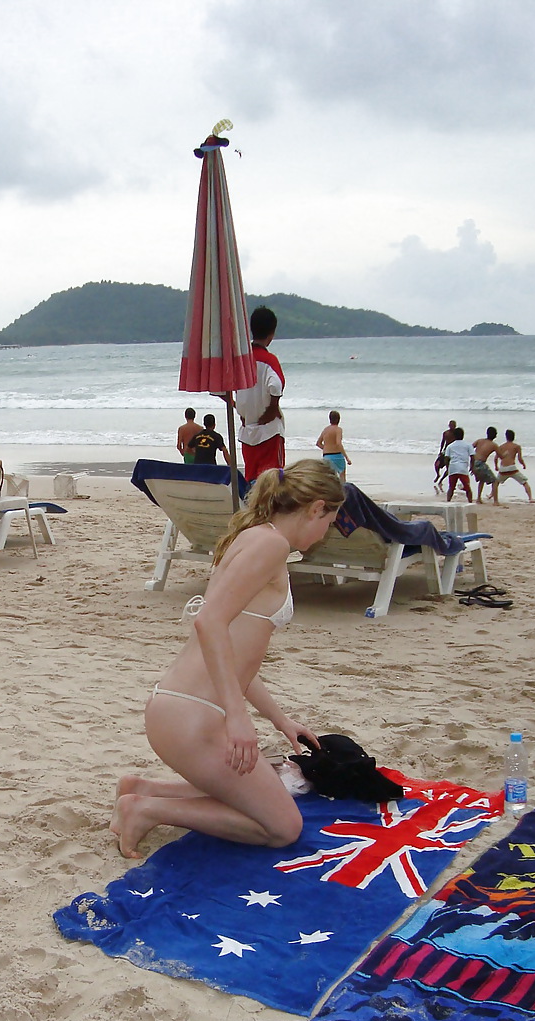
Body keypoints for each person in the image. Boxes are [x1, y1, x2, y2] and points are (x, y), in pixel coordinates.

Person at [111, 460, 345, 861]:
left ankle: (144, 789)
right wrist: (237, 717)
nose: (328, 531)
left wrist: (278, 719)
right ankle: (146, 809)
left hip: (180, 708)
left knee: (257, 794)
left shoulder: (253, 537)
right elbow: (210, 621)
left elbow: (233, 653)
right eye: (330, 520)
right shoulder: (271, 545)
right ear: (316, 508)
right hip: (195, 717)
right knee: (283, 828)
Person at [233, 306, 285, 481]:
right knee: (272, 481)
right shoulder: (270, 361)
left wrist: (239, 408)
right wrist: (273, 407)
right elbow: (276, 386)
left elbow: (222, 389)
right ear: (272, 334)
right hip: (269, 432)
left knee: (251, 479)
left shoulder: (241, 360)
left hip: (248, 431)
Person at [495, 429, 535, 503]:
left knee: (496, 483)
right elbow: (520, 458)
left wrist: (496, 466)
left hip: (503, 469)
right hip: (512, 468)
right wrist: (523, 464)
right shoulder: (516, 446)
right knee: (524, 482)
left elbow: (496, 458)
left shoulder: (501, 446)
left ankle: (491, 494)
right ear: (514, 437)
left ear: (506, 437)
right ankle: (530, 498)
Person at [316, 410, 351, 476]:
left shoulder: (325, 429)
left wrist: (327, 448)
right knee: (342, 476)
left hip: (326, 456)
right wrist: (347, 458)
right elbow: (338, 444)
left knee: (329, 478)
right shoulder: (338, 429)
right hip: (337, 456)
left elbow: (318, 443)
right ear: (338, 419)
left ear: (330, 419)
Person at [444, 427, 474, 501]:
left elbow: (446, 458)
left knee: (451, 487)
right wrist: (472, 466)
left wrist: (448, 468)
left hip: (453, 467)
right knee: (467, 488)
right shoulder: (468, 445)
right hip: (462, 468)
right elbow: (472, 457)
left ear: (454, 436)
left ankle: (448, 501)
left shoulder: (450, 446)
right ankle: (470, 502)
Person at [471, 427, 500, 504]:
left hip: (473, 463)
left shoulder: (479, 441)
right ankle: (496, 501)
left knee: (482, 480)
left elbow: (470, 448)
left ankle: (478, 498)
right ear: (494, 435)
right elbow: (500, 455)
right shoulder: (494, 445)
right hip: (480, 463)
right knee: (495, 481)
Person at [434, 421, 457, 493]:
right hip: (445, 451)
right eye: (451, 425)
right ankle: (438, 475)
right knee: (436, 464)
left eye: (453, 425)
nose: (452, 426)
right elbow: (442, 442)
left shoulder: (456, 434)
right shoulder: (445, 433)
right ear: (449, 425)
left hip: (452, 453)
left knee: (449, 469)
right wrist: (440, 451)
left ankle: (441, 480)